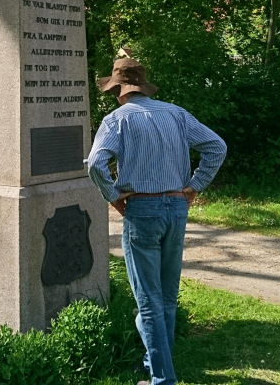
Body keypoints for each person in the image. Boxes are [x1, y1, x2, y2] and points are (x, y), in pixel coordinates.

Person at [86, 58, 226, 385]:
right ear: (143, 88)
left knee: (148, 301)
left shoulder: (116, 120)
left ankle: (163, 380)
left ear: (119, 91)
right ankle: (152, 365)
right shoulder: (176, 114)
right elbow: (216, 147)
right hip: (176, 209)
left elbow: (95, 164)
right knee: (164, 297)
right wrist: (194, 185)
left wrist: (112, 195)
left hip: (143, 211)